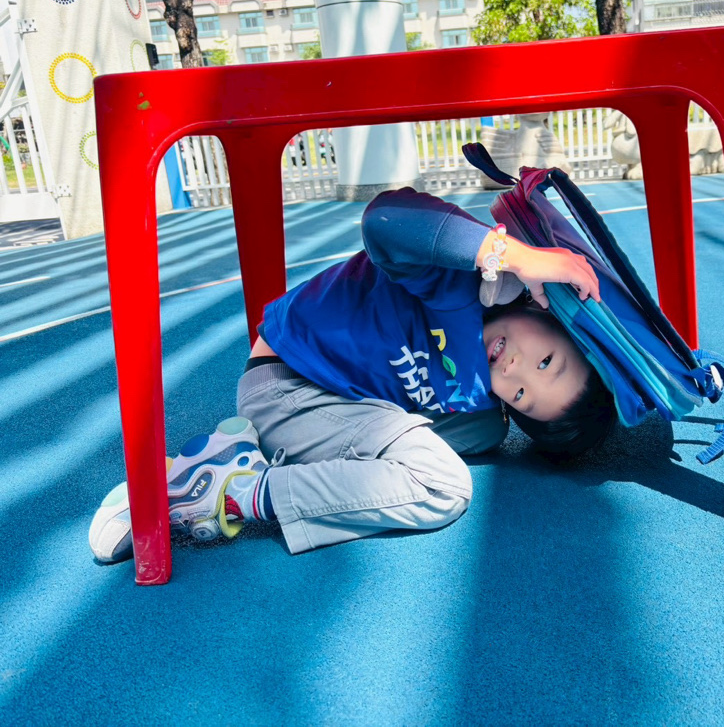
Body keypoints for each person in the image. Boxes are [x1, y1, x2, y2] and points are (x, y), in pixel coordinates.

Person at [90, 188, 616, 563]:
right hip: (290, 386)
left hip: (335, 395)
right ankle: (230, 490)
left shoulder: (484, 394)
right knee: (442, 486)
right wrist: (518, 257)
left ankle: (256, 462)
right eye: (546, 361)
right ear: (549, 313)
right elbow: (384, 218)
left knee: (482, 430)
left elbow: (493, 414)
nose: (516, 371)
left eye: (521, 396)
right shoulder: (463, 275)